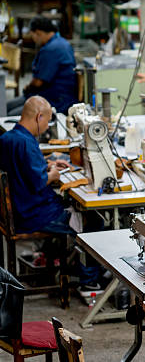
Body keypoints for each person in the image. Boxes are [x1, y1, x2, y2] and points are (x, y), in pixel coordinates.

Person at [0, 96, 100, 288]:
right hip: (34, 215)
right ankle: (90, 282)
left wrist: (47, 164)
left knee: (74, 208)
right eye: (46, 121)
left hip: (17, 210)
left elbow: (21, 167)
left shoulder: (8, 138)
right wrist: (53, 175)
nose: (47, 127)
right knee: (91, 220)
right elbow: (39, 181)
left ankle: (55, 261)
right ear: (39, 117)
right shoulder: (27, 143)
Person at [7, 16, 78, 116]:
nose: (34, 39)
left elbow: (38, 82)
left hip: (56, 100)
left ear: (38, 33)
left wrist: (28, 87)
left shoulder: (51, 49)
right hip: (50, 95)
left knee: (11, 114)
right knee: (6, 106)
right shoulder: (62, 42)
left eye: (33, 36)